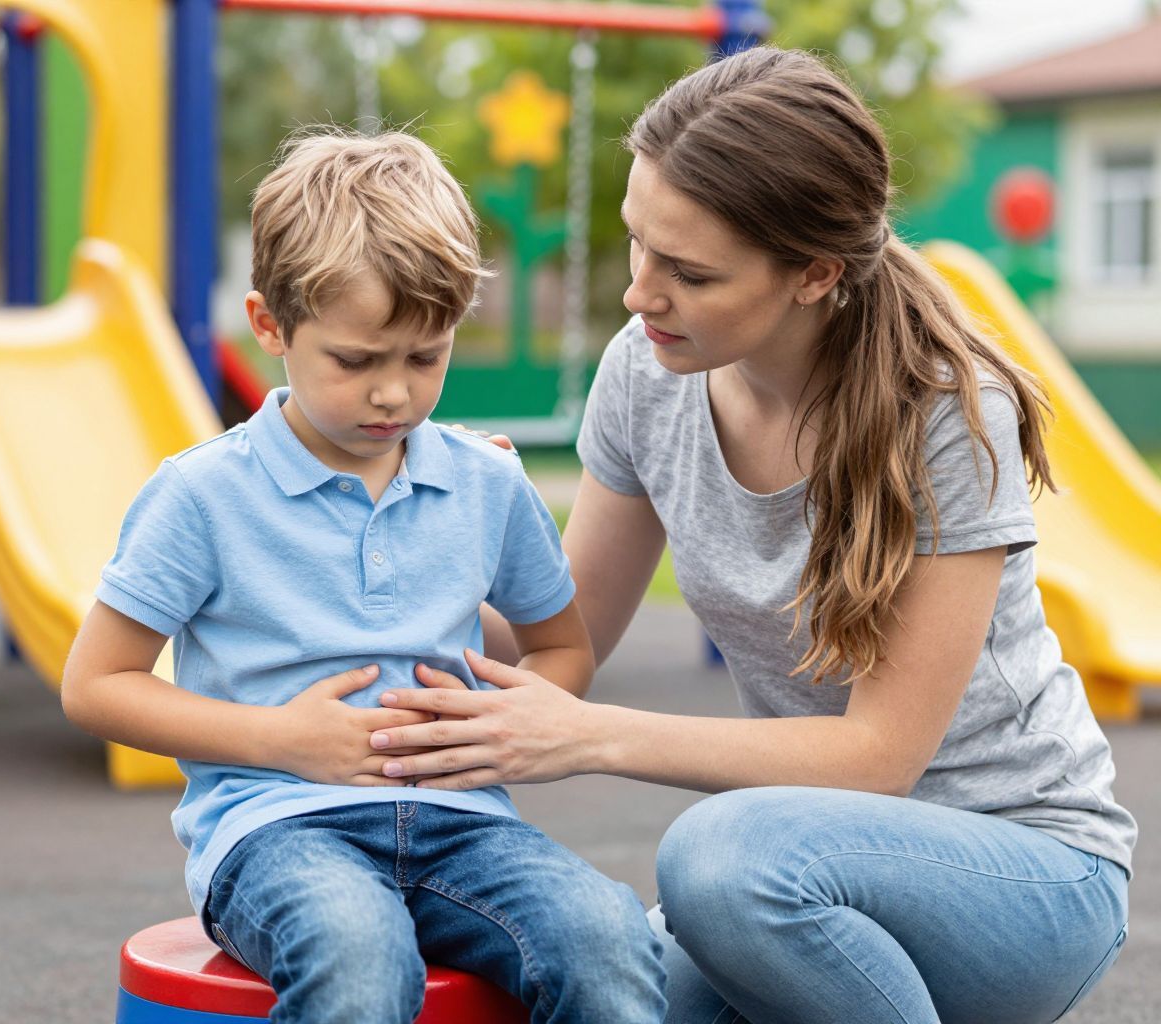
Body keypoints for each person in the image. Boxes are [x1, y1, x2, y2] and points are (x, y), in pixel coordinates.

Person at [364, 48, 1135, 1024]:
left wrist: (589, 739)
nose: (642, 292)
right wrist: (410, 536)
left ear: (813, 273)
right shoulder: (645, 373)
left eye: (688, 271)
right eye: (637, 243)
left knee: (716, 860)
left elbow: (879, 758)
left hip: (1020, 875)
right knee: (598, 984)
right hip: (803, 873)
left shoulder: (943, 408)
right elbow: (564, 634)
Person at [60, 130, 664, 1024]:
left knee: (607, 935)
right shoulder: (202, 495)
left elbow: (561, 648)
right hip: (276, 830)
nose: (395, 395)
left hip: (466, 828)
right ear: (271, 326)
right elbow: (96, 686)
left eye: (426, 357)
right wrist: (283, 740)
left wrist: (504, 724)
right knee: (357, 951)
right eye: (356, 361)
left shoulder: (486, 483)